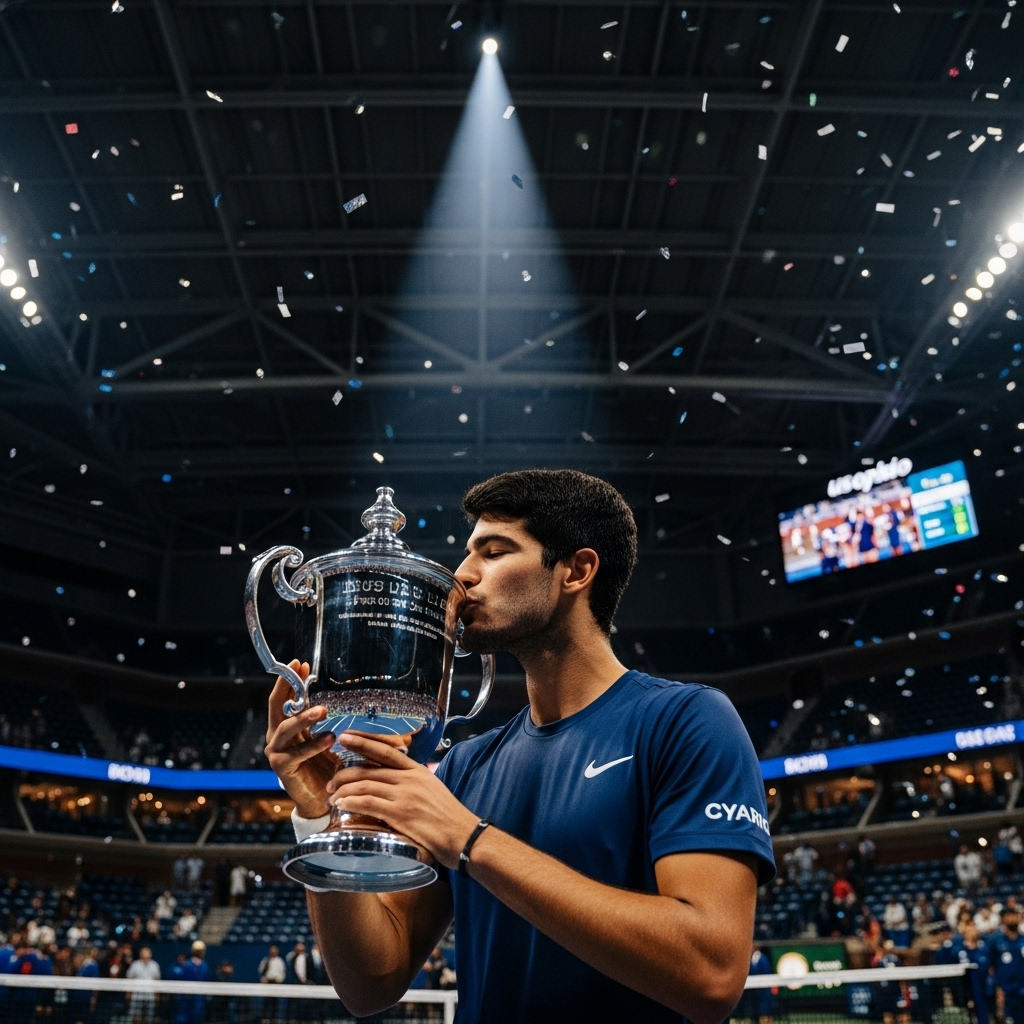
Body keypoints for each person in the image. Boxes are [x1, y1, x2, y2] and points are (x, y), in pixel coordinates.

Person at [266, 469, 775, 1023]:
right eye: (468, 553)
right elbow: (370, 986)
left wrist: (469, 839)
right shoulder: (465, 766)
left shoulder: (687, 721)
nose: (462, 576)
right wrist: (321, 812)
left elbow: (712, 973)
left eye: (494, 551)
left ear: (576, 571)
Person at [990, 906, 1024, 1024]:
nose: (1012, 919)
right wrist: (999, 990)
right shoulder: (996, 941)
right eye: (1009, 916)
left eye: (1015, 915)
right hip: (1007, 993)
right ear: (1002, 919)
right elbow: (991, 967)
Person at [125, 946, 161, 1023]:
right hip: (136, 995)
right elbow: (129, 980)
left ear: (150, 955)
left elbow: (157, 981)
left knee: (148, 1018)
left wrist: (157, 996)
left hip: (149, 996)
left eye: (147, 955)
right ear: (140, 955)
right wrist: (128, 994)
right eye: (144, 954)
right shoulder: (134, 965)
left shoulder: (155, 965)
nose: (146, 957)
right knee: (135, 1017)